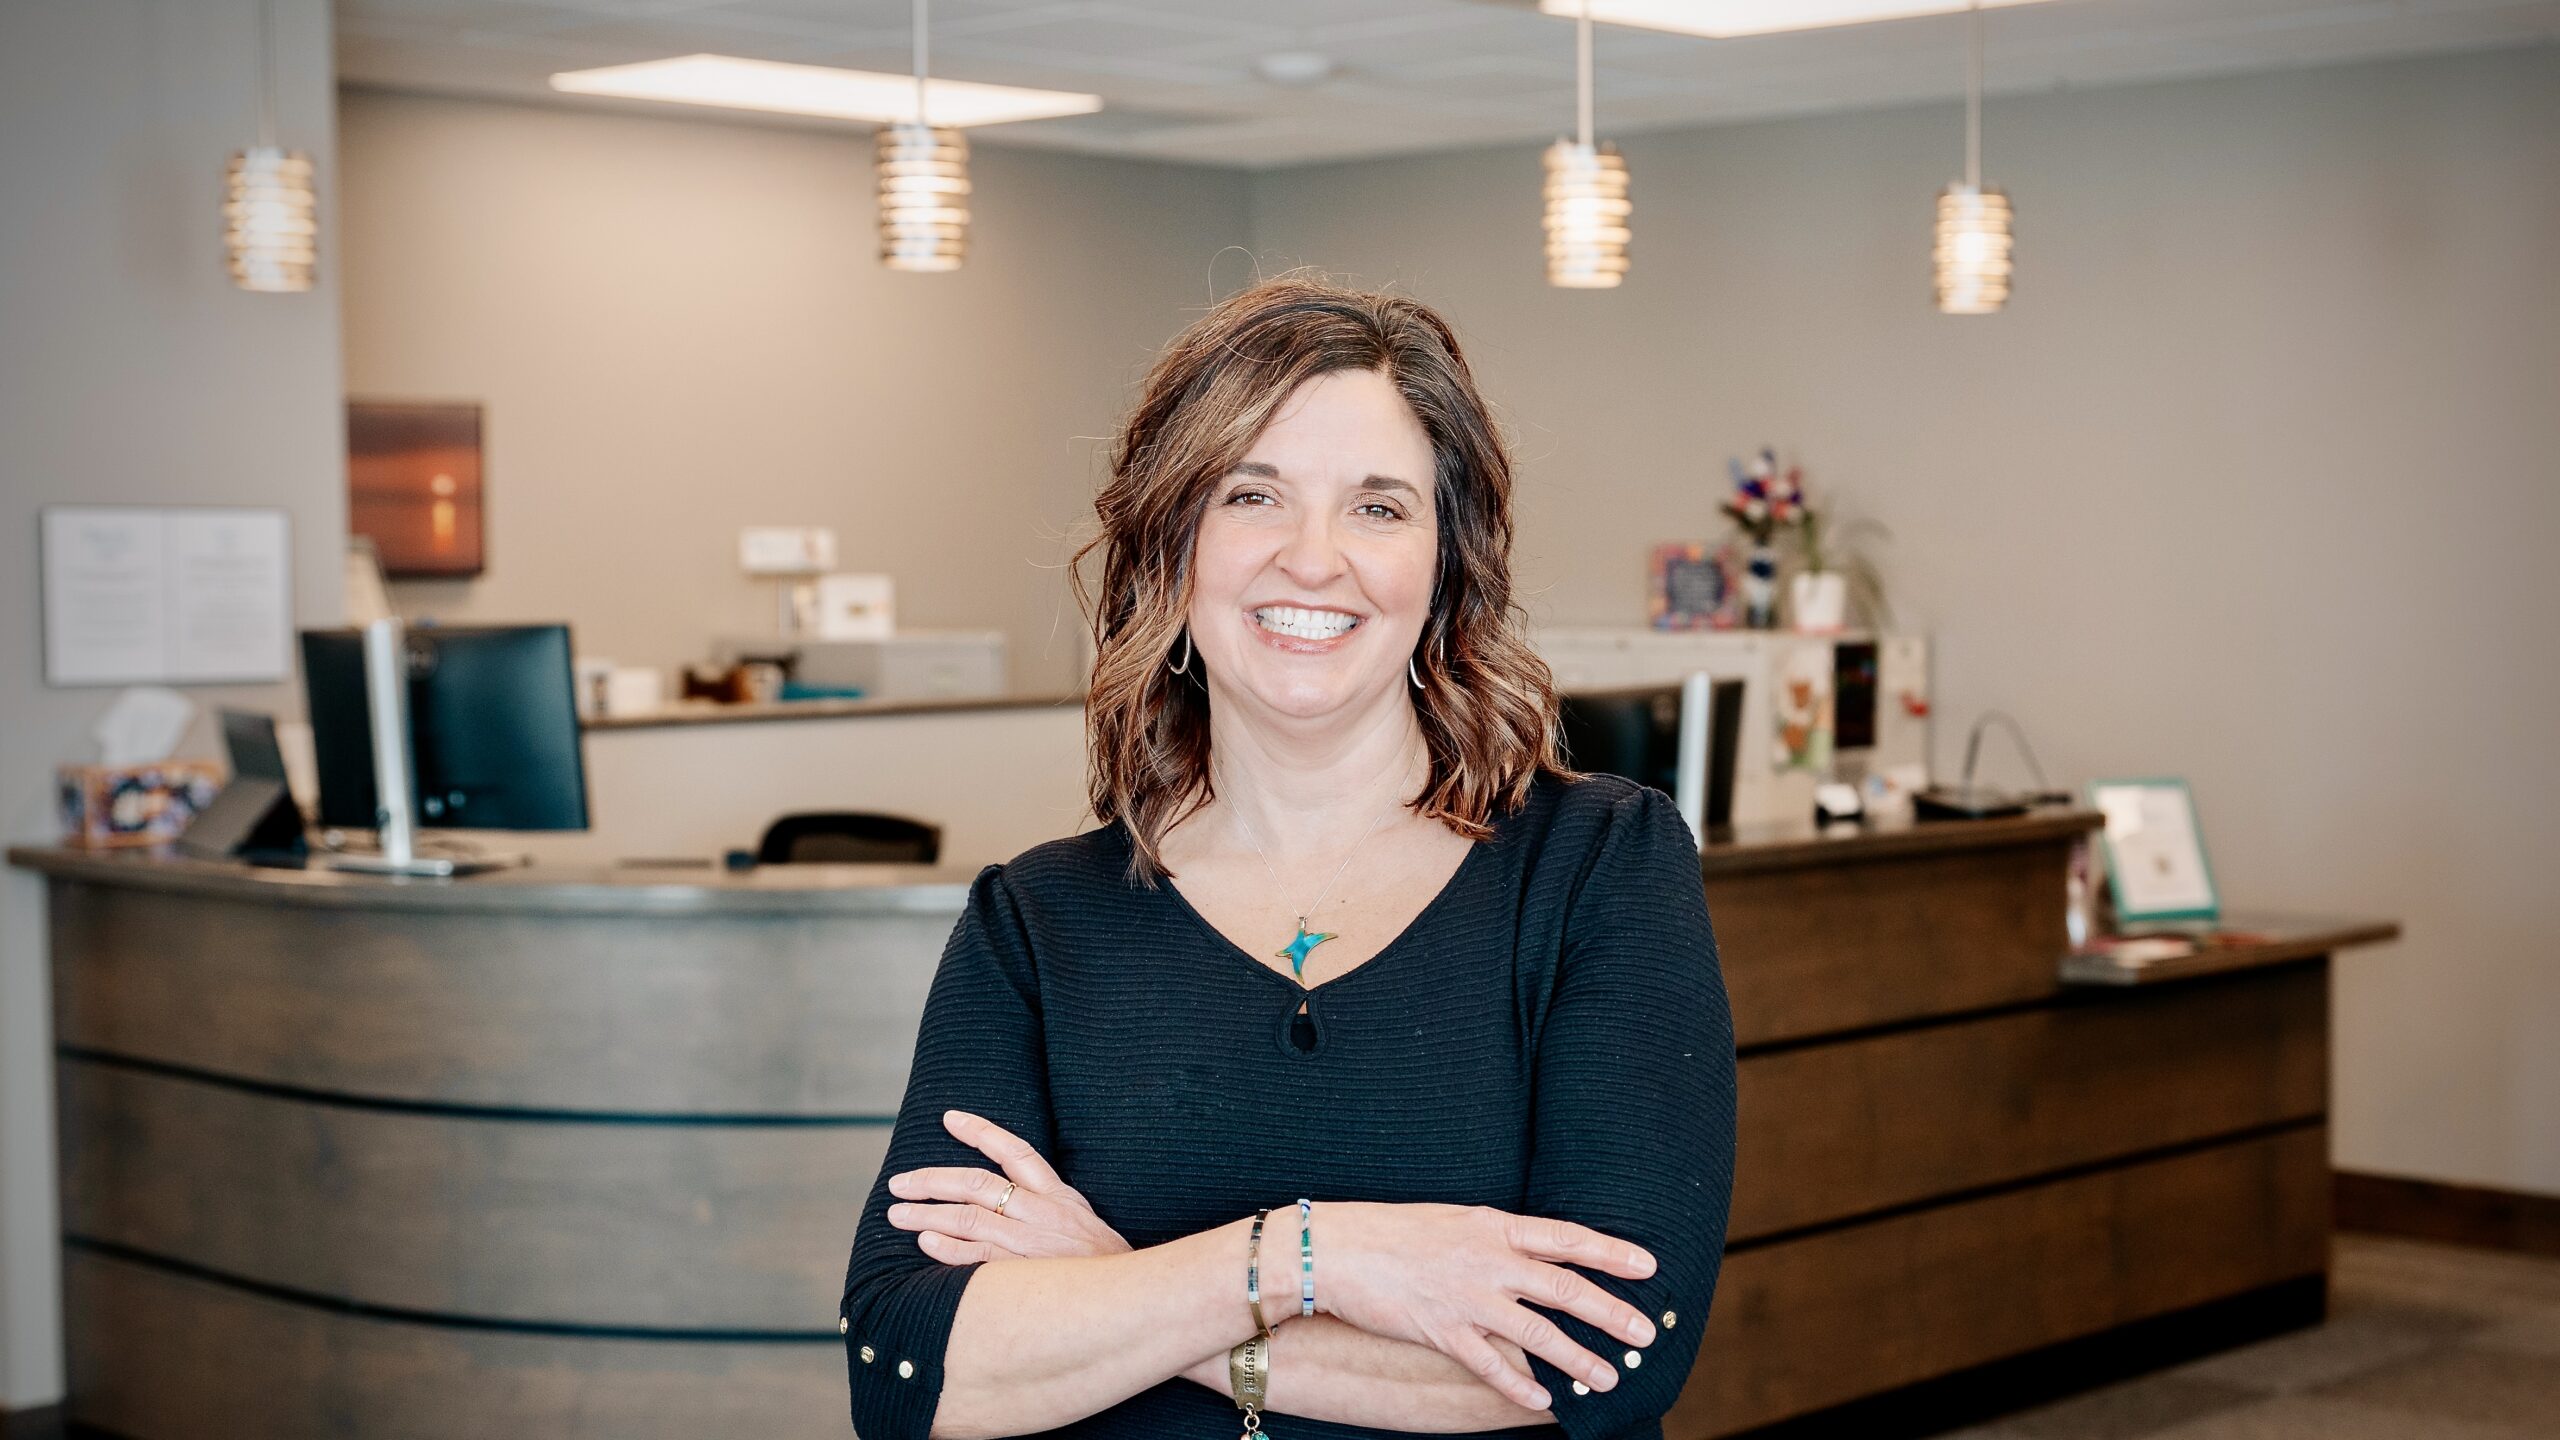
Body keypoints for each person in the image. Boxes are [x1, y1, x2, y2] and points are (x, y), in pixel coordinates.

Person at [839, 274, 1736, 1440]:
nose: (1314, 560)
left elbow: (1604, 1356)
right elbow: (908, 1371)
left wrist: (1118, 1281)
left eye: (1377, 507)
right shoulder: (1038, 923)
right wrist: (1312, 1258)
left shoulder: (1598, 867)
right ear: (1173, 544)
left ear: (1443, 566)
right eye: (1252, 494)